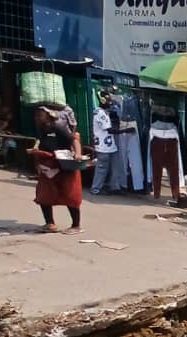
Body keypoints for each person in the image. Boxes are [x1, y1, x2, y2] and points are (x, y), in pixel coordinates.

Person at [28, 105, 84, 233]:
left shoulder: (58, 127)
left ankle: (76, 225)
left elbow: (74, 141)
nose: (36, 117)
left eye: (39, 114)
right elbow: (41, 145)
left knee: (70, 195)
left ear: (48, 115)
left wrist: (78, 153)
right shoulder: (42, 129)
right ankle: (50, 223)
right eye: (36, 115)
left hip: (63, 164)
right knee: (44, 194)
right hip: (48, 165)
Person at [90, 89, 122, 195]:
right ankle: (95, 189)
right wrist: (125, 131)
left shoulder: (101, 112)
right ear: (103, 101)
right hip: (104, 146)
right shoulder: (100, 113)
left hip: (109, 145)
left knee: (113, 167)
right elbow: (109, 129)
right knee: (102, 168)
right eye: (109, 101)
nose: (110, 103)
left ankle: (113, 186)